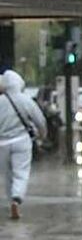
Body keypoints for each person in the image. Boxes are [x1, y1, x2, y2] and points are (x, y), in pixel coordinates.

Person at [0, 69, 45, 220]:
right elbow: (40, 120)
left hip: (2, 143)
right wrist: (43, 136)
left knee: (8, 175)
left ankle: (11, 201)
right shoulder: (26, 100)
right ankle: (16, 199)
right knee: (21, 172)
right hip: (22, 141)